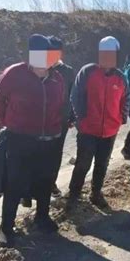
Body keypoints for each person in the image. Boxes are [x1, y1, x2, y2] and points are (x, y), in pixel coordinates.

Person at [0, 34, 64, 247]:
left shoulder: (56, 79)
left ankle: (41, 218)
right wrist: (11, 122)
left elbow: (59, 105)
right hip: (19, 140)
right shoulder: (14, 74)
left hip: (48, 140)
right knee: (15, 183)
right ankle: (6, 228)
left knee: (44, 181)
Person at [67, 36, 130, 209]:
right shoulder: (87, 72)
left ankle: (96, 193)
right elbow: (75, 95)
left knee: (102, 164)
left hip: (110, 131)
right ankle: (74, 193)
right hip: (88, 129)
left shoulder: (120, 77)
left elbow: (126, 99)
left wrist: (121, 119)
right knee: (83, 163)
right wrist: (80, 118)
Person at [48, 36, 75, 197]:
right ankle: (30, 189)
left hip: (60, 121)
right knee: (36, 153)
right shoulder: (39, 69)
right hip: (40, 121)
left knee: (56, 153)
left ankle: (51, 184)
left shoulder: (68, 72)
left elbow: (73, 95)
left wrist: (71, 117)